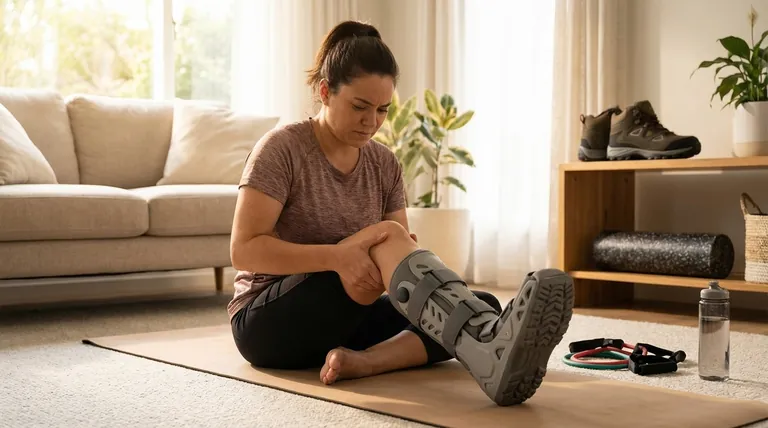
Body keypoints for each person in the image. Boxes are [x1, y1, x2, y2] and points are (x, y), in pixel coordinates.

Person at [227, 20, 575, 407]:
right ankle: (487, 348)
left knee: (480, 307)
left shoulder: (384, 163)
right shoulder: (281, 149)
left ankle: (367, 362)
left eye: (382, 110)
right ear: (325, 92)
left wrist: (413, 287)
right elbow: (244, 250)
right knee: (385, 256)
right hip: (269, 322)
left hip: (348, 315)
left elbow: (400, 262)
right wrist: (338, 258)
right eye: (359, 106)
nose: (371, 122)